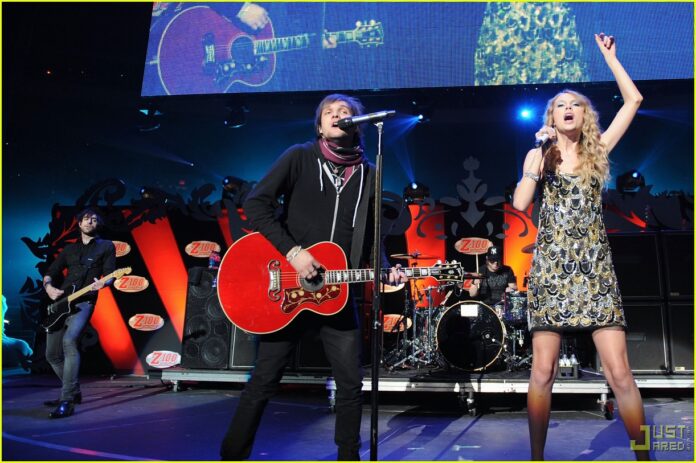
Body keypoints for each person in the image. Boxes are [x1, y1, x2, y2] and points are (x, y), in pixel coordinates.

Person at [219, 93, 407, 461]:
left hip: (336, 291)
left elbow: (372, 235)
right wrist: (293, 253)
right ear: (319, 126)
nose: (336, 115)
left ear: (358, 125)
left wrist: (384, 266)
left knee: (351, 384)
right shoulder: (299, 156)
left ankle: (348, 457)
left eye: (344, 112)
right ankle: (232, 455)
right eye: (328, 112)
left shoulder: (369, 173)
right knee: (264, 380)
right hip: (288, 285)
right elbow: (256, 205)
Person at [512, 33, 647, 460]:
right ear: (551, 117)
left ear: (584, 115)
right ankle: (537, 457)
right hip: (551, 270)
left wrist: (611, 59)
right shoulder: (539, 154)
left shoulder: (597, 150)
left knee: (620, 374)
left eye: (575, 104)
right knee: (543, 371)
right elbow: (520, 203)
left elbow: (634, 100)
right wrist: (537, 157)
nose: (568, 109)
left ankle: (645, 454)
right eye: (560, 105)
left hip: (595, 270)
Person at [42, 208, 116, 419]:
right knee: (51, 355)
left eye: (94, 219)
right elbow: (50, 273)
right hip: (60, 304)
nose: (90, 221)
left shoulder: (106, 246)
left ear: (98, 224)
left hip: (84, 302)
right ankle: (73, 390)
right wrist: (49, 288)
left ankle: (66, 400)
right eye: (86, 218)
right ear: (79, 223)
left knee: (69, 341)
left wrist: (105, 282)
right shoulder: (69, 249)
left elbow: (111, 274)